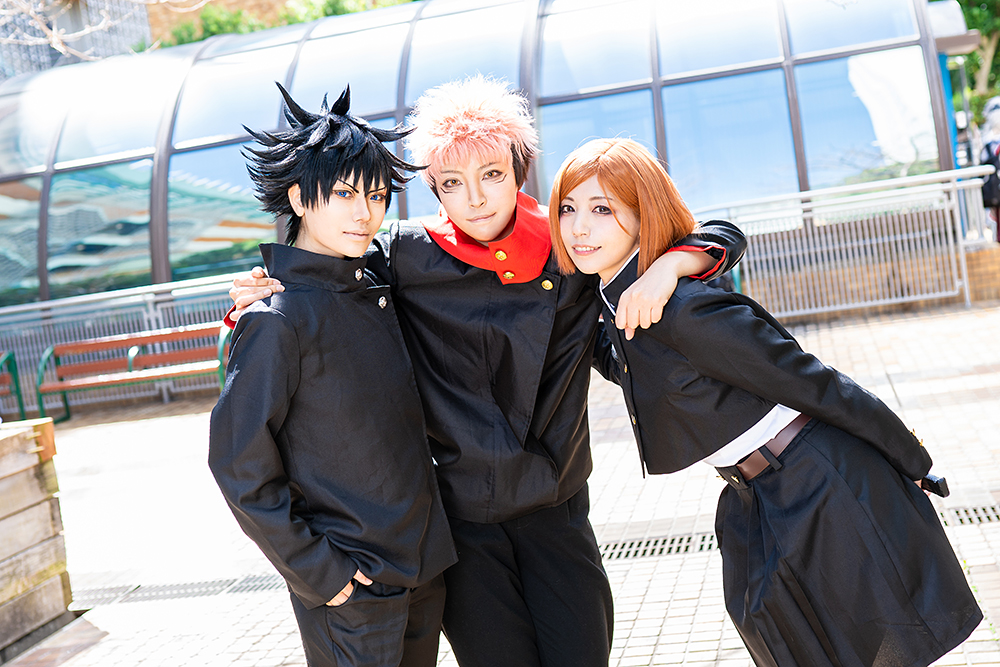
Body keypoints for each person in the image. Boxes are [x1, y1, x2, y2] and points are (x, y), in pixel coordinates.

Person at [229, 76, 747, 667]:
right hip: (462, 525)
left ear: (519, 172)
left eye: (492, 175)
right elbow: (322, 274)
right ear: (435, 188)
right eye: (452, 183)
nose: (475, 199)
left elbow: (715, 234)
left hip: (556, 506)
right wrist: (258, 289)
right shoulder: (404, 254)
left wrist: (673, 265)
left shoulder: (567, 245)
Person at [549, 137, 983, 667]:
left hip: (819, 483)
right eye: (567, 208)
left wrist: (911, 460)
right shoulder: (617, 301)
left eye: (602, 209)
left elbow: (816, 383)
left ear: (644, 215)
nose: (579, 228)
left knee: (870, 650)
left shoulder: (681, 309)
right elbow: (618, 356)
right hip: (752, 496)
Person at [208, 83, 457, 667]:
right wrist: (320, 572)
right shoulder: (275, 318)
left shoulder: (375, 283)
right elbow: (238, 463)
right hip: (352, 586)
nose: (364, 212)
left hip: (421, 566)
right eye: (343, 193)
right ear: (298, 198)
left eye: (376, 195)